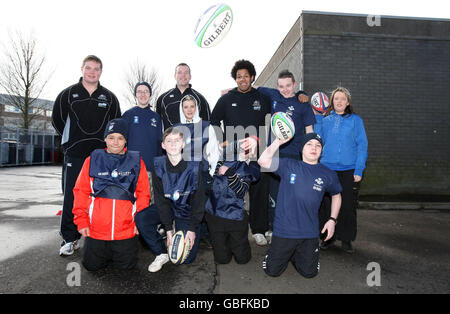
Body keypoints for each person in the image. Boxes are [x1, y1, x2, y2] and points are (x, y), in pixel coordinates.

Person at [52, 55, 121, 256]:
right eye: (89, 68)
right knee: (72, 196)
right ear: (82, 69)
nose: (92, 72)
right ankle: (69, 238)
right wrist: (70, 143)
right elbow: (57, 120)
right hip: (75, 154)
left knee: (101, 196)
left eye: (96, 69)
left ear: (101, 71)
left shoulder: (109, 97)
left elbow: (116, 125)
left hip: (102, 155)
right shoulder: (68, 94)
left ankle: (99, 235)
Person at [258, 133, 342, 278]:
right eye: (309, 144)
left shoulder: (328, 174)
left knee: (310, 273)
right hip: (284, 230)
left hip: (309, 232)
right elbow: (262, 161)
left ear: (322, 150)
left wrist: (332, 220)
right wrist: (278, 142)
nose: (313, 148)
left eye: (318, 145)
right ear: (302, 148)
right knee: (271, 271)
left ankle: (294, 254)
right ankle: (284, 253)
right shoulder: (289, 165)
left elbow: (337, 195)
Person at [72, 118, 150, 271]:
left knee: (127, 268)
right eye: (111, 137)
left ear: (126, 140)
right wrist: (82, 221)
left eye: (120, 138)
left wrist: (139, 222)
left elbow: (143, 194)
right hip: (97, 230)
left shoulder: (137, 162)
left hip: (125, 230)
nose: (115, 142)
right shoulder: (91, 160)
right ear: (105, 138)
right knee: (91, 266)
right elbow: (81, 191)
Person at [210, 59, 272, 246]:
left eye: (246, 76)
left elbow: (270, 122)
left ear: (252, 77)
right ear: (235, 79)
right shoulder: (226, 99)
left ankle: (259, 229)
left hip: (257, 152)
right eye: (239, 77)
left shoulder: (262, 98)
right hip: (233, 155)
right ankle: (232, 231)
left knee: (259, 190)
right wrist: (223, 141)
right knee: (232, 191)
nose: (242, 79)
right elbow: (214, 121)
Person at [256, 70, 316, 241]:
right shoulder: (274, 95)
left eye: (288, 86)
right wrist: (229, 91)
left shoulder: (302, 103)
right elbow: (253, 86)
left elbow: (310, 131)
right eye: (281, 86)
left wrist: (310, 158)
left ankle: (290, 228)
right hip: (274, 155)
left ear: (295, 85)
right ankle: (273, 228)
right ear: (277, 86)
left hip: (294, 156)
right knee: (273, 194)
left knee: (292, 194)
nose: (285, 90)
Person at [121, 81, 167, 272]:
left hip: (151, 169)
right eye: (139, 91)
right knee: (132, 203)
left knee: (149, 203)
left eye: (146, 91)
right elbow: (120, 142)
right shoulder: (128, 115)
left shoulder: (156, 117)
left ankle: (150, 236)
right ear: (135, 94)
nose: (142, 94)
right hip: (131, 169)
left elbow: (160, 144)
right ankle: (130, 235)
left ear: (150, 94)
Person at [317, 87, 368, 253]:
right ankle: (327, 237)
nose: (339, 101)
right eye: (336, 99)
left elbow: (362, 145)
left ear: (347, 102)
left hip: (349, 169)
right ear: (332, 102)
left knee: (347, 206)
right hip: (327, 168)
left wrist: (359, 169)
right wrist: (317, 116)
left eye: (342, 99)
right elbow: (316, 141)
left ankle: (346, 239)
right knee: (325, 205)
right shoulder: (324, 120)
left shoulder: (356, 120)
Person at [152, 127, 206, 265]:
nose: (173, 144)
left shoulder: (194, 166)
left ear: (183, 144)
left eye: (177, 140)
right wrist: (168, 228)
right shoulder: (158, 165)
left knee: (184, 260)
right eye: (169, 141)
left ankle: (196, 231)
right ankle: (161, 252)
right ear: (163, 145)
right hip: (169, 209)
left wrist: (192, 228)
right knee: (142, 218)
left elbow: (199, 201)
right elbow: (161, 200)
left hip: (185, 212)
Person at [205, 154, 260, 265]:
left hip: (235, 215)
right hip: (215, 214)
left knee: (242, 259)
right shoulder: (220, 159)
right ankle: (226, 244)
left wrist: (230, 174)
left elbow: (241, 191)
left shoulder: (248, 168)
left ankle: (233, 244)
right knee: (222, 259)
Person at [156, 63, 211, 129]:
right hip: (171, 138)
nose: (183, 75)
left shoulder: (200, 99)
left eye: (186, 72)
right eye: (180, 72)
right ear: (175, 76)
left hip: (194, 138)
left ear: (190, 76)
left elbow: (208, 124)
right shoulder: (163, 99)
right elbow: (157, 125)